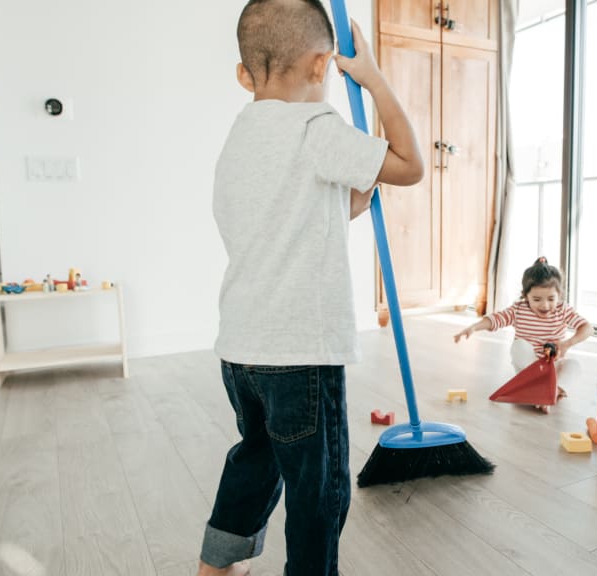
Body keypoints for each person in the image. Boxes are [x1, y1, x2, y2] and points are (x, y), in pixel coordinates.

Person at [198, 1, 423, 575]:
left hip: (242, 350)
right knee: (317, 494)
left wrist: (347, 200)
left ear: (244, 74)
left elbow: (281, 220)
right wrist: (370, 76)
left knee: (256, 457)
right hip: (300, 355)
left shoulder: (239, 134)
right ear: (324, 66)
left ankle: (217, 565)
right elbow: (408, 164)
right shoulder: (316, 127)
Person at [454, 257, 594, 413]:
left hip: (551, 369)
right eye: (536, 299)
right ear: (525, 296)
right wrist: (474, 327)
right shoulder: (519, 309)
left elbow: (587, 328)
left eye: (551, 299)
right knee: (519, 345)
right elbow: (496, 319)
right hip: (528, 369)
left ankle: (553, 389)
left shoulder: (562, 309)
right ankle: (542, 389)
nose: (545, 305)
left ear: (559, 295)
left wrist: (568, 343)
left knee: (574, 365)